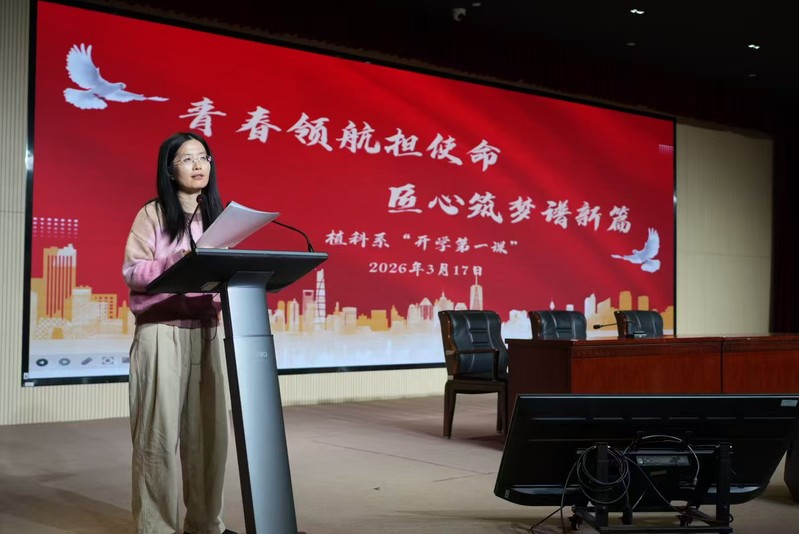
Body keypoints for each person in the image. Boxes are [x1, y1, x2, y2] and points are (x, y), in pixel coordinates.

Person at [122, 132, 236, 534]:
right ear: (170, 171)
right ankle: (158, 527)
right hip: (161, 331)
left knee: (209, 435)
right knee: (158, 434)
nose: (198, 165)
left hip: (206, 332)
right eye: (187, 159)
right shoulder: (152, 215)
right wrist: (179, 260)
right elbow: (134, 272)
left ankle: (205, 523)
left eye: (203, 157)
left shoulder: (221, 219)